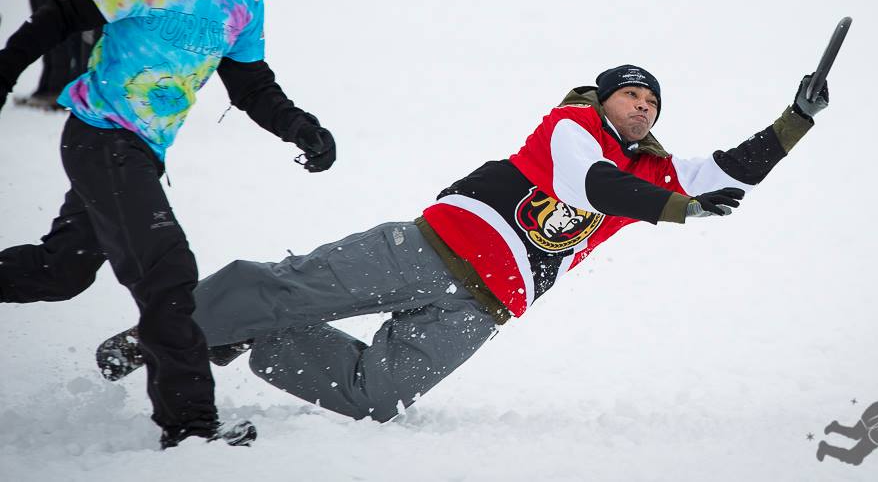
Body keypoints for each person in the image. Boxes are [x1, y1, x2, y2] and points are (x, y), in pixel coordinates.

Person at [97, 65, 829, 424]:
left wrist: (795, 119)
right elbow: (595, 188)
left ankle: (246, 333)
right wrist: (676, 206)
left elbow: (733, 168)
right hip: (428, 248)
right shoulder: (572, 129)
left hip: (479, 309)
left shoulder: (653, 170)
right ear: (603, 98)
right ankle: (158, 334)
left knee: (374, 398)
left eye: (654, 101)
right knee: (288, 285)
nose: (643, 104)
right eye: (632, 93)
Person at [0, 0, 337, 449]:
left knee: (62, 272)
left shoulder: (244, 0)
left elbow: (252, 86)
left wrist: (301, 127)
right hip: (103, 137)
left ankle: (187, 420)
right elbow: (60, 17)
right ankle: (190, 425)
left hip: (138, 153)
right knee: (168, 274)